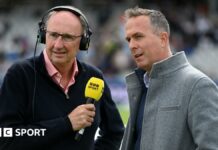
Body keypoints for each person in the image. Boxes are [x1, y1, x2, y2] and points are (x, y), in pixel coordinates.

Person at [0, 6, 124, 150]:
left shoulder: (94, 76)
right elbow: (6, 137)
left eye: (67, 37)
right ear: (43, 36)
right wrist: (67, 123)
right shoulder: (19, 75)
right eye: (53, 35)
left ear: (83, 42)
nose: (58, 45)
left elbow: (115, 131)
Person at [120, 7, 218, 150]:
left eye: (138, 37)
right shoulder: (141, 85)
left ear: (163, 39)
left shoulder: (198, 85)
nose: (132, 45)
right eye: (129, 39)